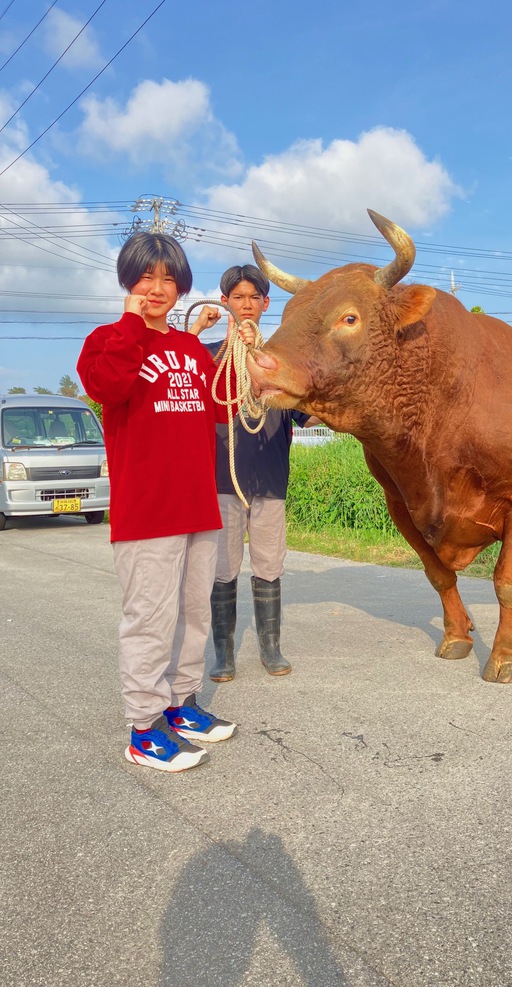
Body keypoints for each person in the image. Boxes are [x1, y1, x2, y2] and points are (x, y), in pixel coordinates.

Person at [77, 232, 248, 773]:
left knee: (193, 615)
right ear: (128, 280)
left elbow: (220, 412)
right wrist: (132, 325)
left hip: (198, 504)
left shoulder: (189, 349)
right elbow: (107, 386)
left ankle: (180, 704)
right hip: (146, 510)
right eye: (146, 277)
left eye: (168, 279)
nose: (157, 288)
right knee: (150, 619)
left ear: (182, 286)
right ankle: (144, 729)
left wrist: (241, 350)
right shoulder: (106, 339)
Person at [191, 264, 318, 681]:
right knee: (222, 569)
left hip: (268, 480)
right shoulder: (204, 357)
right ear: (224, 301)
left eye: (254, 297)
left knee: (269, 565)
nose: (246, 304)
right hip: (221, 481)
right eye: (238, 296)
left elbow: (306, 415)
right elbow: (174, 384)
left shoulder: (279, 361)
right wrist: (194, 333)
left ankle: (271, 649)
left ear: (266, 304)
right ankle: (223, 655)